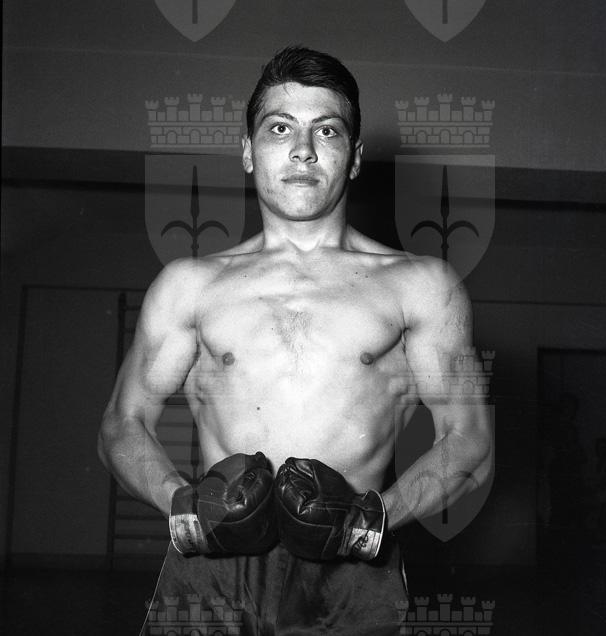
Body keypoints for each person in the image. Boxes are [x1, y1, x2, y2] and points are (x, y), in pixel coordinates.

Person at [98, 46, 492, 635]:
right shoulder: (189, 286)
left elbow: (469, 439)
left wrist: (373, 521)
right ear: (248, 151)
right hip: (212, 573)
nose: (303, 149)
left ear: (354, 158)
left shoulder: (421, 287)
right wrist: (182, 505)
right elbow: (121, 425)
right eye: (280, 128)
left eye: (326, 130)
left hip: (351, 577)